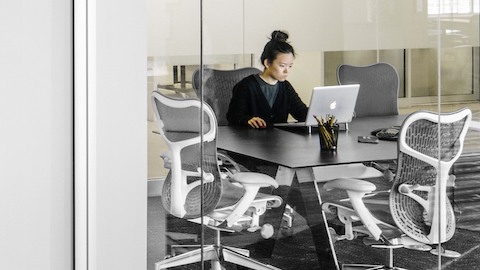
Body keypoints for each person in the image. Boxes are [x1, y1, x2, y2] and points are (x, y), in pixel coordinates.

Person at [226, 30, 308, 128]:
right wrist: (247, 120)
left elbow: (302, 114)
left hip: (280, 141)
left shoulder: (286, 87)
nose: (287, 71)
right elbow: (233, 117)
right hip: (251, 140)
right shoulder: (246, 86)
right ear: (267, 63)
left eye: (290, 66)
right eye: (282, 66)